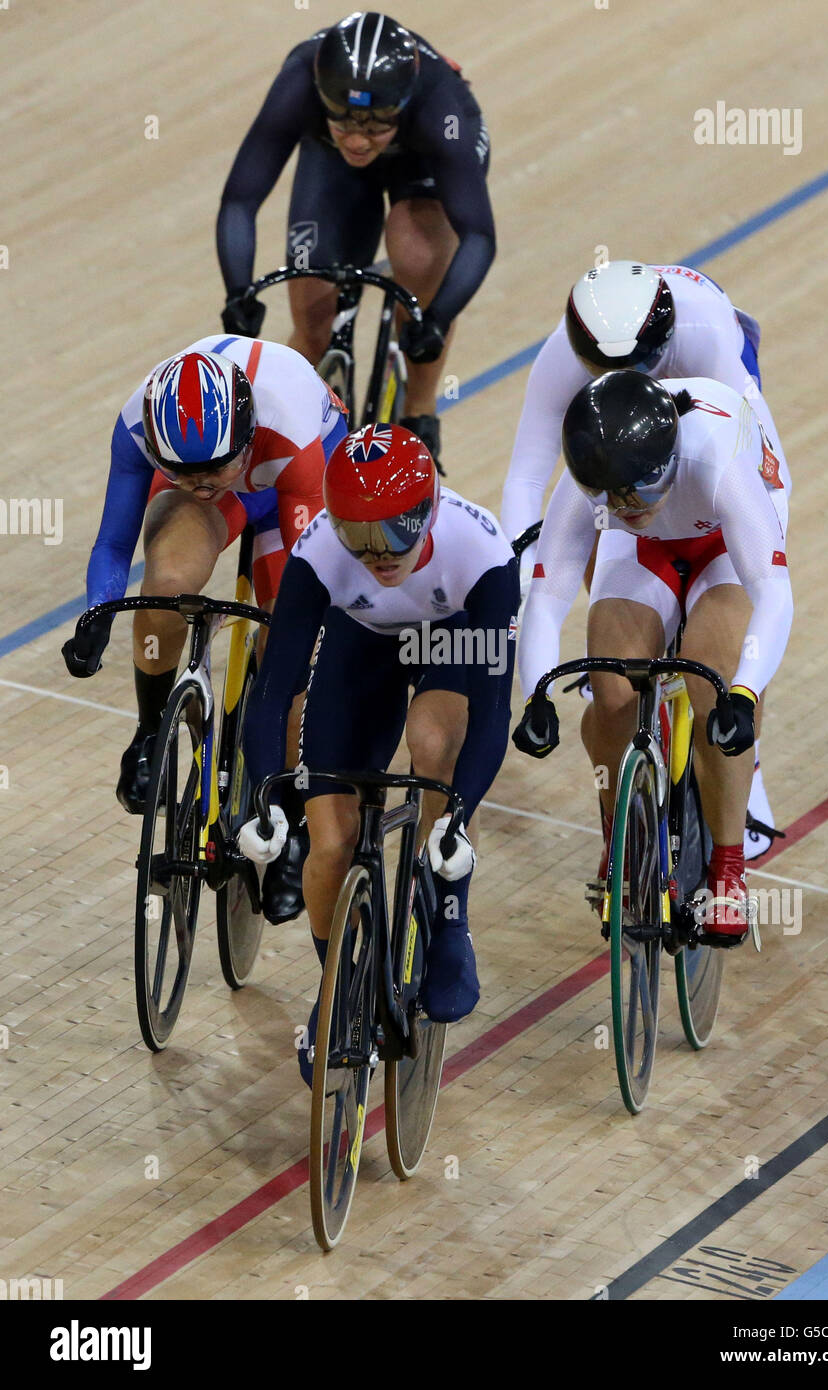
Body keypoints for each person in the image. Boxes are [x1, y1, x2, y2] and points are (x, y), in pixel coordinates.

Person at [238, 423, 518, 1081]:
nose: (377, 554)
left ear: (428, 511)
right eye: (357, 537)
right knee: (330, 843)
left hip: (449, 640)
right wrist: (265, 798)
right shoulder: (320, 555)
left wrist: (457, 816)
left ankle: (449, 924)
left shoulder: (478, 551)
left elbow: (494, 709)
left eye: (394, 534)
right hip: (361, 642)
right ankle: (340, 987)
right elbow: (276, 689)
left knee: (432, 744)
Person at [501, 259, 788, 857]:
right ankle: (627, 770)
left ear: (659, 347)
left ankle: (741, 776)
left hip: (717, 466)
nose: (620, 376)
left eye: (632, 366)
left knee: (717, 656)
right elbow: (529, 482)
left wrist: (745, 689)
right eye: (602, 369)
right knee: (612, 663)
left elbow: (765, 476)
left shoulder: (703, 334)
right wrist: (535, 664)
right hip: (626, 465)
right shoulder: (564, 364)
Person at [61, 337, 347, 915]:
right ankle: (147, 734)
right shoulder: (140, 425)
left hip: (295, 478)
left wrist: (291, 635)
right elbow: (114, 542)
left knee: (291, 632)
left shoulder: (286, 419)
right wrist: (96, 615)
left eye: (212, 468)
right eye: (180, 472)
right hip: (243, 474)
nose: (199, 484)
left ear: (240, 434)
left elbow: (310, 581)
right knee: (166, 588)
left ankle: (289, 814)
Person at [512, 371, 793, 946]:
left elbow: (774, 595)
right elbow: (546, 601)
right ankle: (622, 846)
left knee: (716, 674)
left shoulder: (714, 457)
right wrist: (536, 694)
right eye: (612, 496)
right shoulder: (590, 489)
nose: (628, 505)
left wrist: (745, 692)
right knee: (612, 686)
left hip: (723, 539)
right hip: (641, 552)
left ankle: (728, 868)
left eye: (640, 488)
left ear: (668, 458)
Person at [217, 11, 495, 466]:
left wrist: (438, 320)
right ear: (323, 96)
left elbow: (479, 235)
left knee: (417, 260)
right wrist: (237, 293)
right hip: (330, 161)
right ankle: (282, 430)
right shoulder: (299, 82)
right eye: (344, 121)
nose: (360, 140)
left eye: (375, 124)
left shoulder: (441, 108)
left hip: (424, 160)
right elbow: (240, 200)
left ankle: (420, 412)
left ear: (403, 103)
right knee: (312, 316)